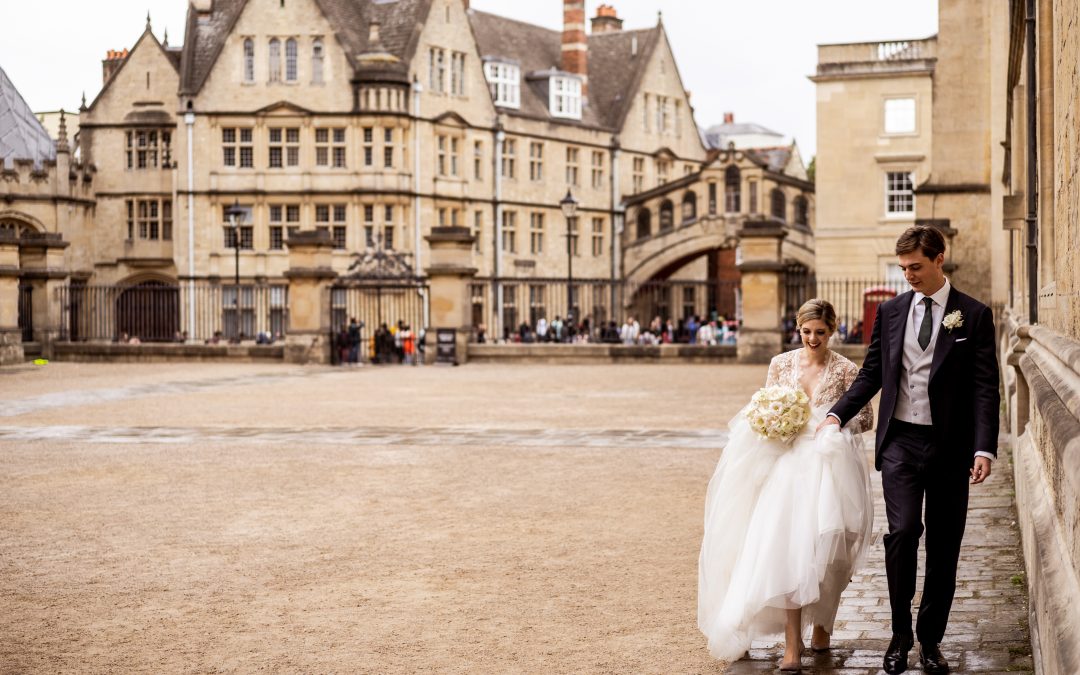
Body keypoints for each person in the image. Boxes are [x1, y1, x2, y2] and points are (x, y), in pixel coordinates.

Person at [818, 226, 999, 675]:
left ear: (940, 259)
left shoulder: (972, 315)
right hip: (900, 440)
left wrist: (984, 448)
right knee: (901, 535)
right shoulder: (892, 311)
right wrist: (837, 415)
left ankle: (931, 640)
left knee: (944, 545)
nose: (909, 276)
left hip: (950, 446)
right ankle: (899, 635)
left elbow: (984, 388)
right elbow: (873, 372)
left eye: (916, 267)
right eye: (903, 269)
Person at [699, 298, 874, 672]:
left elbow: (866, 418)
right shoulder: (780, 363)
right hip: (785, 468)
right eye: (806, 332)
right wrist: (775, 422)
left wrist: (830, 427)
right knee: (790, 549)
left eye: (821, 333)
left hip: (830, 466)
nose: (813, 339)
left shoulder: (845, 369)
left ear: (833, 330)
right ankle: (791, 645)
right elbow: (764, 407)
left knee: (833, 550)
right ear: (798, 328)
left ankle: (823, 624)